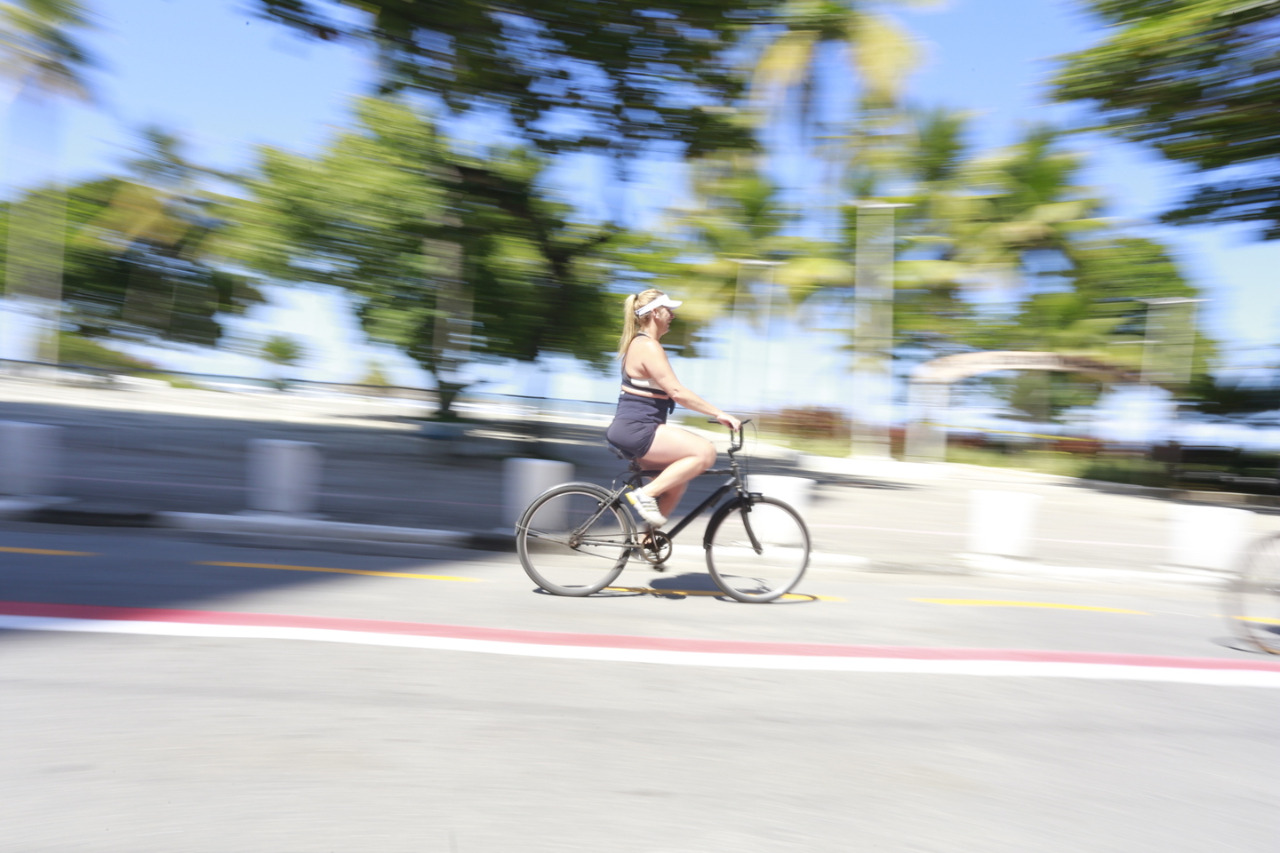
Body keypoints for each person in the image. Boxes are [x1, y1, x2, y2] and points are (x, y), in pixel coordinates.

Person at [605, 289, 741, 528]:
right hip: (638, 430)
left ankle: (648, 541)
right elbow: (677, 392)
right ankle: (645, 495)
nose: (672, 315)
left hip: (637, 429)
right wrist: (718, 413)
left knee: (676, 485)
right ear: (655, 312)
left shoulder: (641, 344)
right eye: (668, 310)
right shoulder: (647, 347)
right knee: (705, 452)